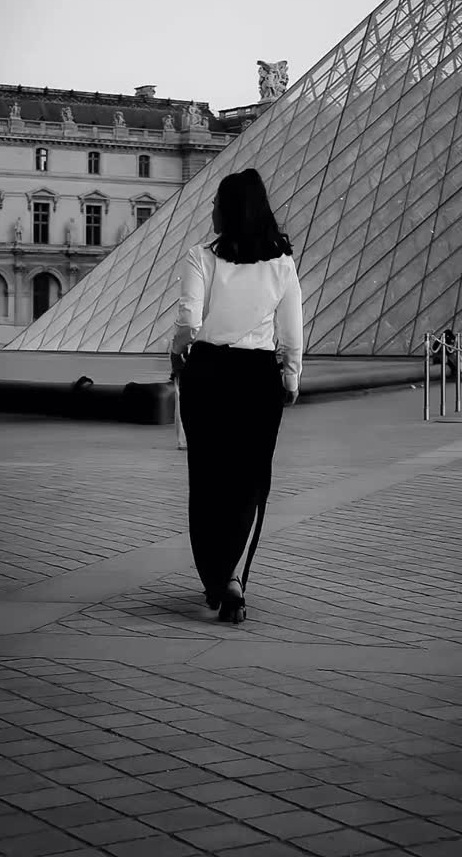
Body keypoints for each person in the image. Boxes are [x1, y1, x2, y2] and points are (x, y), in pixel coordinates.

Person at [170, 168, 303, 625]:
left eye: (215, 203)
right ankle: (232, 578)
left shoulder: (199, 257)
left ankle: (218, 576)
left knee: (207, 479)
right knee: (248, 481)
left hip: (208, 372)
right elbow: (291, 333)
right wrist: (290, 379)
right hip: (257, 378)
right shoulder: (282, 263)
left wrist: (177, 355)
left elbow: (187, 319)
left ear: (229, 209)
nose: (210, 210)